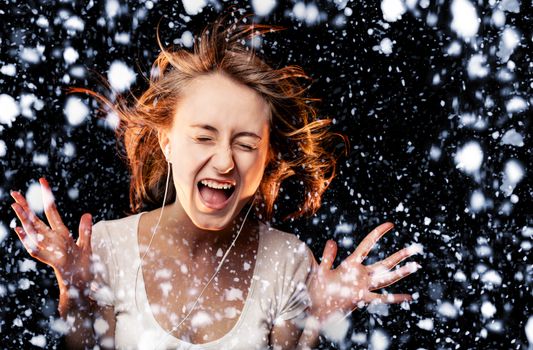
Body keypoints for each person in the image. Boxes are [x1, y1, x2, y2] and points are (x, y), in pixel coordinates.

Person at [10, 15, 421, 349]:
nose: (224, 161)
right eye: (204, 137)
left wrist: (314, 317)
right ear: (167, 142)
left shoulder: (287, 262)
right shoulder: (105, 249)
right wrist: (75, 291)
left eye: (245, 143)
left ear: (267, 159)